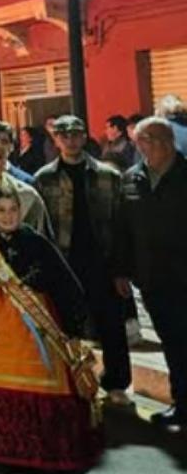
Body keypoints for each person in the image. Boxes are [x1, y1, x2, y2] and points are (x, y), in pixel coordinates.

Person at [0, 187, 101, 470]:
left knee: (42, 385)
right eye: (1, 210)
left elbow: (67, 285)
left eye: (13, 210)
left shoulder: (38, 243)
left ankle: (41, 447)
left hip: (37, 329)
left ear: (21, 211)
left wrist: (73, 329)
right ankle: (1, 447)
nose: (8, 216)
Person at [31, 114, 130, 405]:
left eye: (76, 134)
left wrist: (121, 268)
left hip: (102, 261)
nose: (70, 140)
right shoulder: (44, 178)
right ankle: (69, 381)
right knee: (64, 325)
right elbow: (42, 226)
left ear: (85, 136)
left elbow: (121, 224)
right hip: (63, 262)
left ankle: (116, 383)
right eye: (64, 136)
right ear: (56, 140)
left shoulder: (108, 175)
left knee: (111, 324)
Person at [116, 118, 187, 430]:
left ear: (166, 141)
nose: (141, 146)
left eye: (146, 139)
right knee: (172, 342)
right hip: (153, 280)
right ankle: (182, 404)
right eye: (139, 141)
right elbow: (123, 230)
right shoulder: (132, 178)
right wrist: (121, 271)